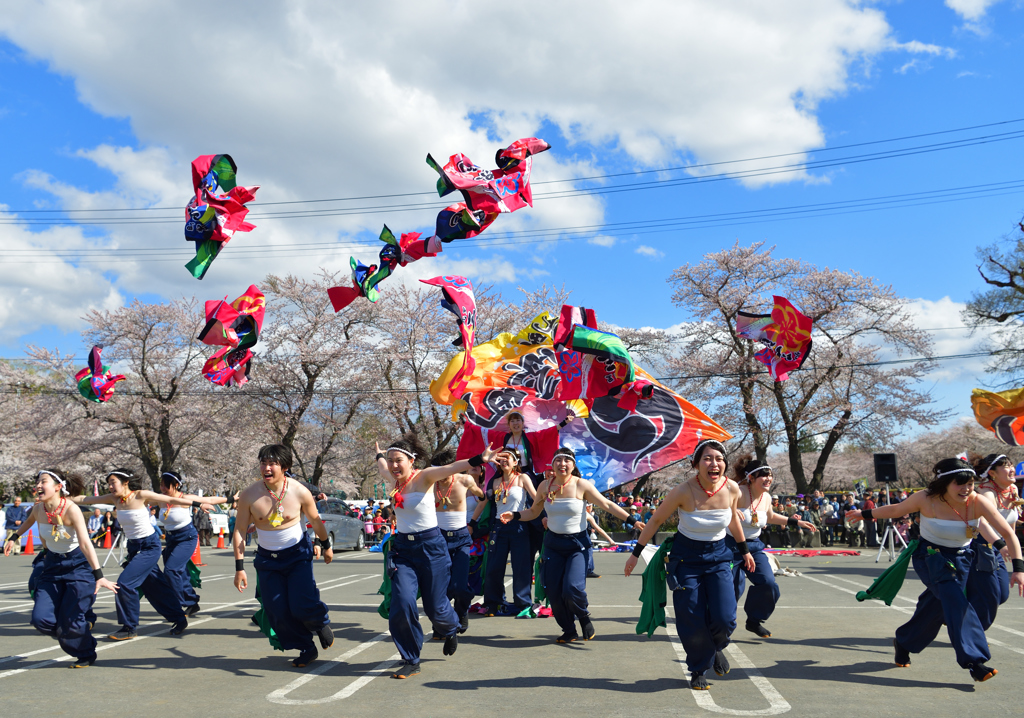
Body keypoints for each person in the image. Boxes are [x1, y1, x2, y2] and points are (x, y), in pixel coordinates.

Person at [846, 458, 1024, 682]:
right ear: (944, 483)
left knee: (936, 606)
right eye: (959, 484)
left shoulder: (977, 501)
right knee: (956, 601)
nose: (966, 489)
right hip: (931, 557)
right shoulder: (925, 498)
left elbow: (1008, 533)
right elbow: (896, 509)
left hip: (962, 559)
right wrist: (864, 514)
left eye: (970, 484)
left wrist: (1019, 569)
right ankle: (975, 661)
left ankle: (904, 641)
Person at [625, 440, 755, 690]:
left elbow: (732, 521)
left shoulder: (732, 489)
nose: (714, 463)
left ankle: (716, 646)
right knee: (691, 616)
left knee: (726, 617)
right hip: (686, 559)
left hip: (719, 557)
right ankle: (698, 668)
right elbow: (655, 522)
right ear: (696, 464)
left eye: (719, 458)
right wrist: (635, 554)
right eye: (707, 458)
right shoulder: (682, 491)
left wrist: (744, 550)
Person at [374, 438, 498, 679]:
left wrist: (480, 459)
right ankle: (411, 658)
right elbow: (381, 468)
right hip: (403, 550)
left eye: (398, 460)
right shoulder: (393, 480)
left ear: (411, 461)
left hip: (431, 547)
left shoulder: (425, 476)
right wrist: (379, 455)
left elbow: (452, 468)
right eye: (390, 461)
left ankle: (450, 628)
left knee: (436, 607)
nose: (393, 465)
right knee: (402, 601)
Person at [500, 447, 635, 642]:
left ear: (573, 465)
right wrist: (514, 515)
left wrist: (632, 520)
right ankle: (569, 630)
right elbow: (533, 512)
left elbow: (607, 505)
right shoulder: (545, 486)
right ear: (553, 464)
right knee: (553, 592)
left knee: (572, 588)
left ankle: (583, 615)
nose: (562, 464)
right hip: (553, 545)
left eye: (566, 460)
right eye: (558, 460)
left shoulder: (581, 485)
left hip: (577, 546)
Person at [3, 470, 119, 667]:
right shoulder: (39, 509)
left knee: (71, 620)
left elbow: (85, 544)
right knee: (41, 620)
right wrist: (13, 537)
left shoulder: (72, 510)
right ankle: (70, 629)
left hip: (77, 565)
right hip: (52, 565)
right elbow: (28, 522)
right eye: (37, 482)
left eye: (43, 481)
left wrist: (99, 575)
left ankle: (85, 651)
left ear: (58, 487)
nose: (38, 485)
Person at [233, 444, 335, 668]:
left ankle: (319, 622)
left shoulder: (299, 491)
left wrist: (326, 545)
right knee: (276, 610)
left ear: (285, 467)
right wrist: (239, 568)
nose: (266, 468)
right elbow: (240, 530)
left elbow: (315, 520)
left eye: (273, 463)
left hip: (297, 555)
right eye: (263, 463)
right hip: (267, 560)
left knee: (301, 604)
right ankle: (306, 647)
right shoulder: (249, 494)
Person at [73, 469, 201, 640]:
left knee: (124, 584)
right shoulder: (114, 499)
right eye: (108, 483)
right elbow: (84, 499)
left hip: (150, 546)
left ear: (125, 482)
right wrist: (59, 498)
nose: (110, 486)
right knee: (154, 587)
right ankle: (179, 618)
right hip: (134, 548)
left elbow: (170, 499)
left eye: (113, 482)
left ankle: (129, 627)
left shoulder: (140, 495)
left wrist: (198, 504)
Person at [730, 457, 816, 638]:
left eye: (770, 475)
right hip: (730, 547)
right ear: (751, 477)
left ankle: (754, 620)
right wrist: (729, 509)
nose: (768, 479)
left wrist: (797, 522)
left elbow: (770, 517)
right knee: (733, 588)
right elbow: (718, 504)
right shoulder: (738, 492)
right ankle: (718, 628)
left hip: (754, 546)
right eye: (764, 475)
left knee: (768, 584)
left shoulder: (767, 497)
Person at [471, 447, 537, 617]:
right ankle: (493, 603)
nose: (503, 460)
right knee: (494, 567)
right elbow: (482, 503)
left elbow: (537, 499)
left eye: (508, 457)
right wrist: (471, 523)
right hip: (498, 527)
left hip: (519, 525)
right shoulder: (494, 482)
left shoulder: (522, 478)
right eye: (501, 458)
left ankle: (523, 604)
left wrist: (547, 516)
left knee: (521, 567)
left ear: (516, 462)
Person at [159, 471, 234, 617]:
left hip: (186, 537)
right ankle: (192, 602)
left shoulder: (185, 498)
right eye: (161, 485)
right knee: (180, 573)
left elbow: (210, 499)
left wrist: (231, 498)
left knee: (171, 570)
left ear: (176, 485)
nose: (162, 488)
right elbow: (139, 498)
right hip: (171, 539)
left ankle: (177, 604)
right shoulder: (160, 499)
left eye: (166, 485)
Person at [429, 450, 485, 637]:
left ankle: (461, 611)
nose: (442, 476)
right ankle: (441, 625)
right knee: (441, 587)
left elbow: (482, 497)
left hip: (461, 538)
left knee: (459, 586)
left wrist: (473, 522)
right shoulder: (429, 483)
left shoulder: (464, 480)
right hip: (439, 539)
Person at [969, 454, 1021, 628]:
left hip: (997, 546)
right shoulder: (986, 493)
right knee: (990, 595)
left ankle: (958, 613)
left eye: (1011, 465)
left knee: (1002, 595)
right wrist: (1001, 544)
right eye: (1006, 466)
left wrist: (1011, 544)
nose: (1012, 469)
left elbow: (1010, 524)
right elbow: (982, 523)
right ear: (992, 473)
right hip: (979, 545)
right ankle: (972, 631)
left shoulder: (1012, 489)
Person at [584, 503, 614, 579]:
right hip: (582, 536)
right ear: (588, 507)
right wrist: (610, 539)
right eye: (591, 507)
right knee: (589, 550)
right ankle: (588, 570)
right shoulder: (586, 514)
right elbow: (599, 529)